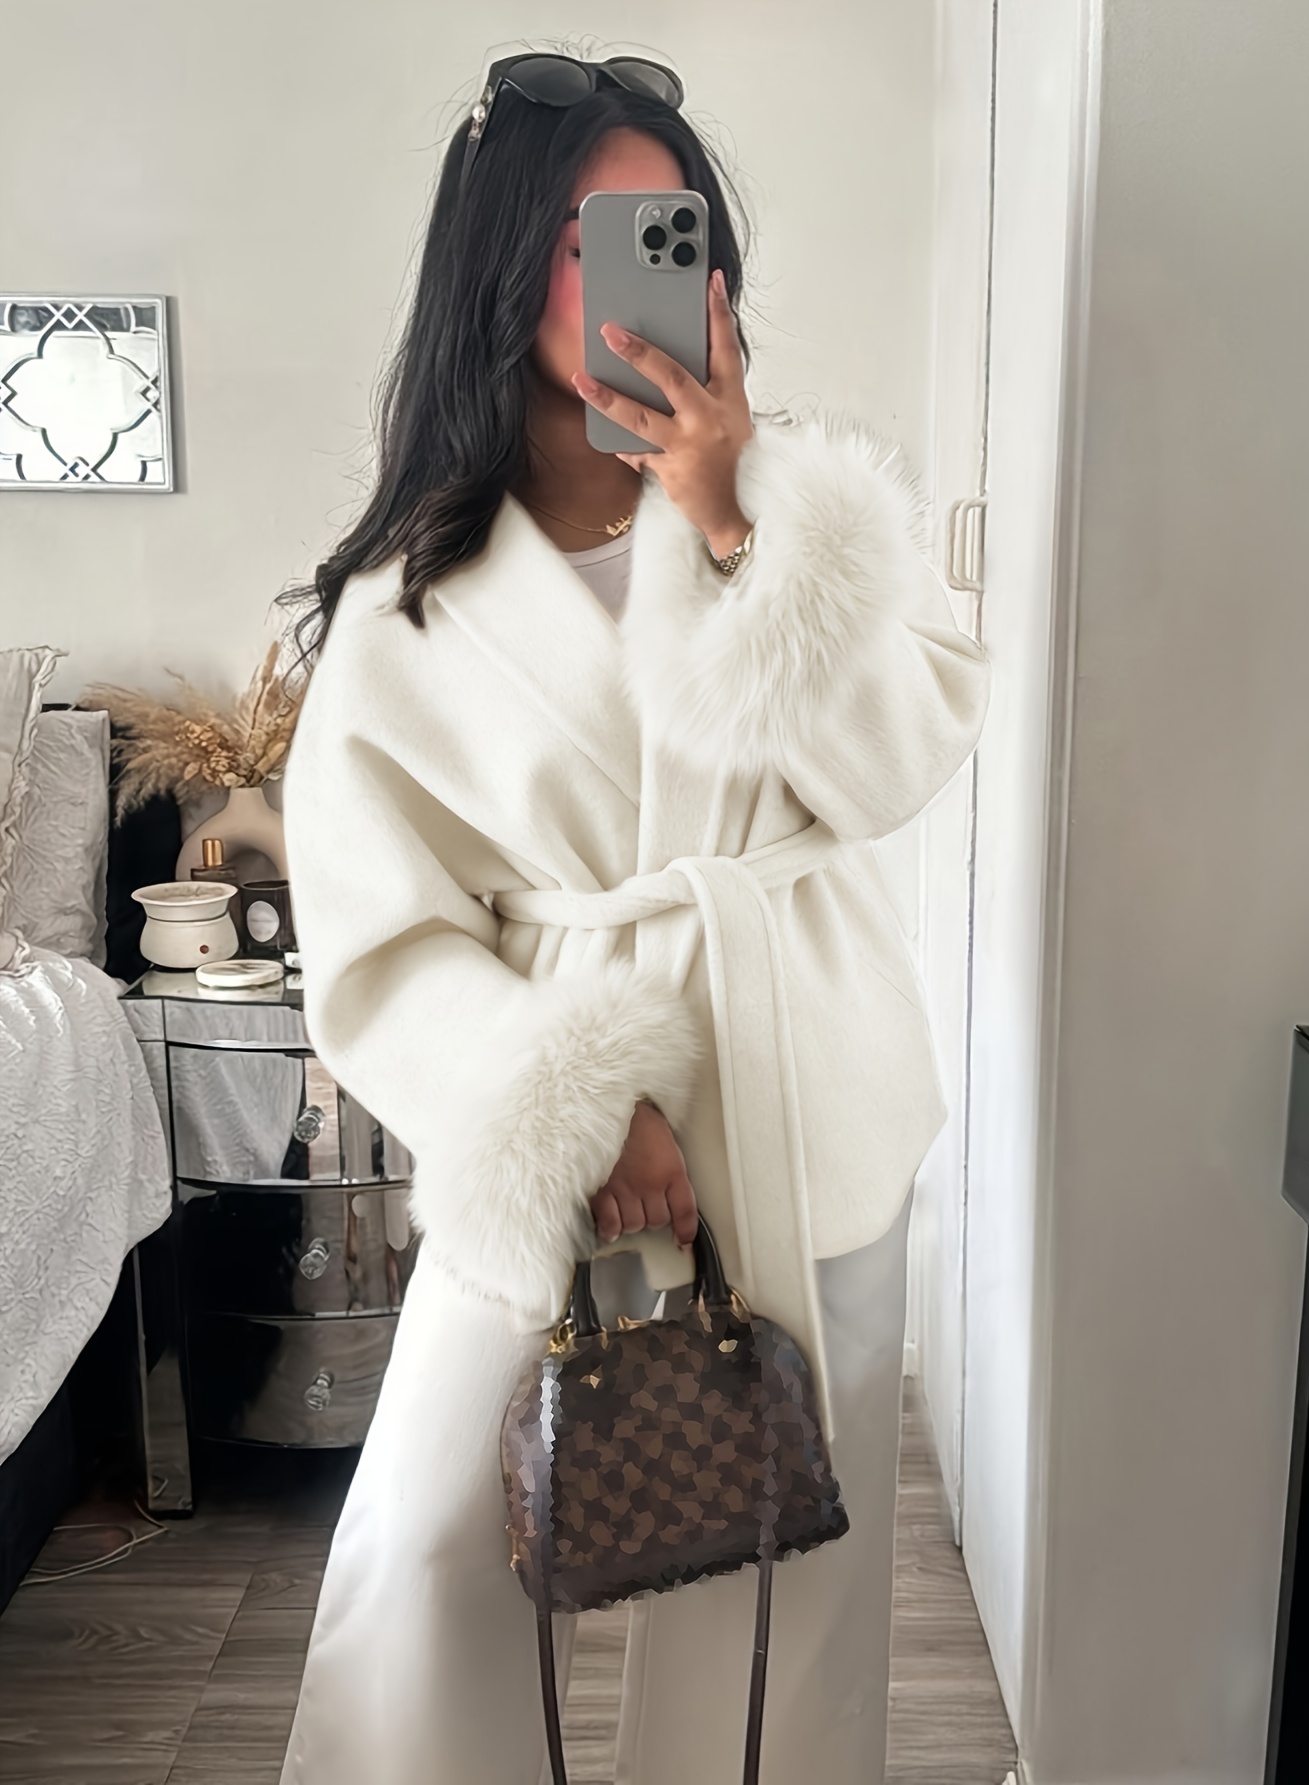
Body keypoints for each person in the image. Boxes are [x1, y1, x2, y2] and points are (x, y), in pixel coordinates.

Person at [277, 46, 991, 1785]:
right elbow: (380, 942)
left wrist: (735, 523)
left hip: (808, 1090)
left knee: (784, 1577)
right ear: (501, 263)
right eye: (583, 239)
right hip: (552, 1103)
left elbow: (898, 766)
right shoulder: (409, 594)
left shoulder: (806, 509)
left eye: (664, 234)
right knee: (424, 1551)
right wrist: (588, 1098)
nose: (627, 279)